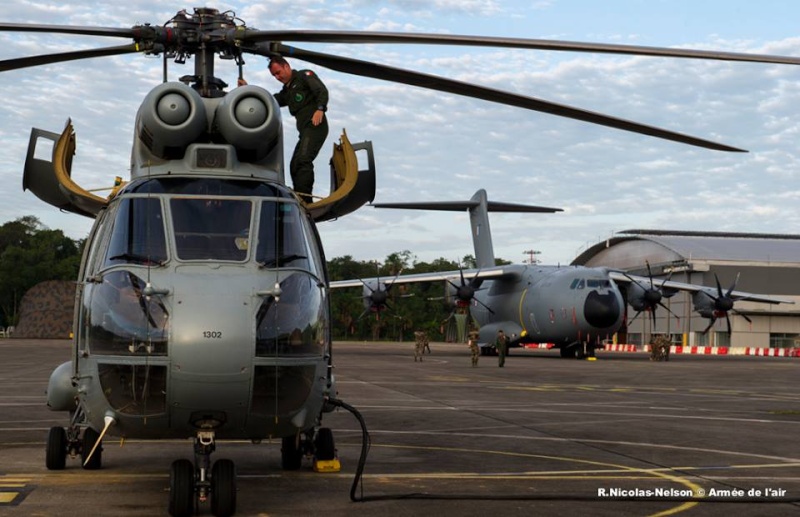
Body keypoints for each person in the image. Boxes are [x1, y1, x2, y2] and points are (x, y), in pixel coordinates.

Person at [239, 56, 329, 204]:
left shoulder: (304, 76)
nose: (277, 77)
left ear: (286, 66)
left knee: (303, 161)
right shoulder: (287, 90)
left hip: (315, 127)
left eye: (278, 72)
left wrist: (320, 109)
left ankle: (306, 200)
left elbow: (321, 90)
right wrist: (248, 90)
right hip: (305, 131)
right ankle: (300, 197)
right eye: (274, 75)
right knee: (294, 164)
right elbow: (271, 101)